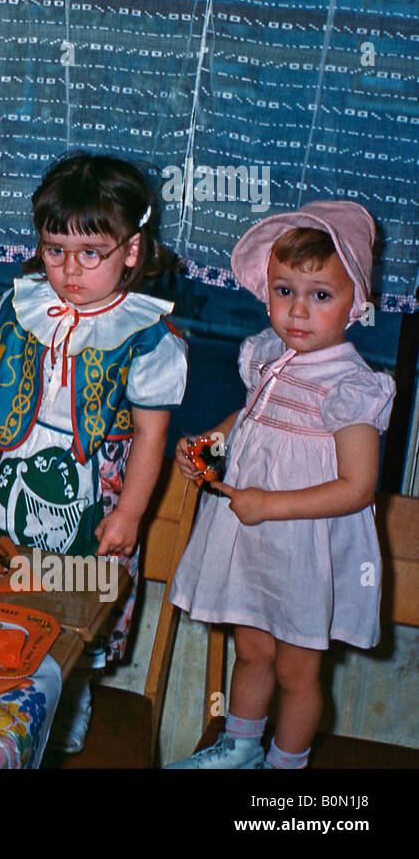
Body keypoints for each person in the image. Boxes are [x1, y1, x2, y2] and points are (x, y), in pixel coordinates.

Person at [0, 151, 187, 753]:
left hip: (92, 483)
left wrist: (130, 513)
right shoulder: (20, 308)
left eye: (91, 254)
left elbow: (152, 439)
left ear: (130, 251)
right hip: (16, 467)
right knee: (5, 585)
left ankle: (68, 700)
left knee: (70, 599)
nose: (70, 270)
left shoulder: (145, 337)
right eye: (55, 251)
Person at [166, 202, 394, 770]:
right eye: (284, 290)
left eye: (321, 295)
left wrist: (269, 504)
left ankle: (283, 766)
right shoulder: (269, 356)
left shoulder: (351, 385)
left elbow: (357, 487)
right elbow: (249, 421)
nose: (298, 311)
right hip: (255, 541)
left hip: (304, 549)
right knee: (253, 650)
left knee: (298, 669)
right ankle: (241, 747)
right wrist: (208, 444)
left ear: (355, 303)